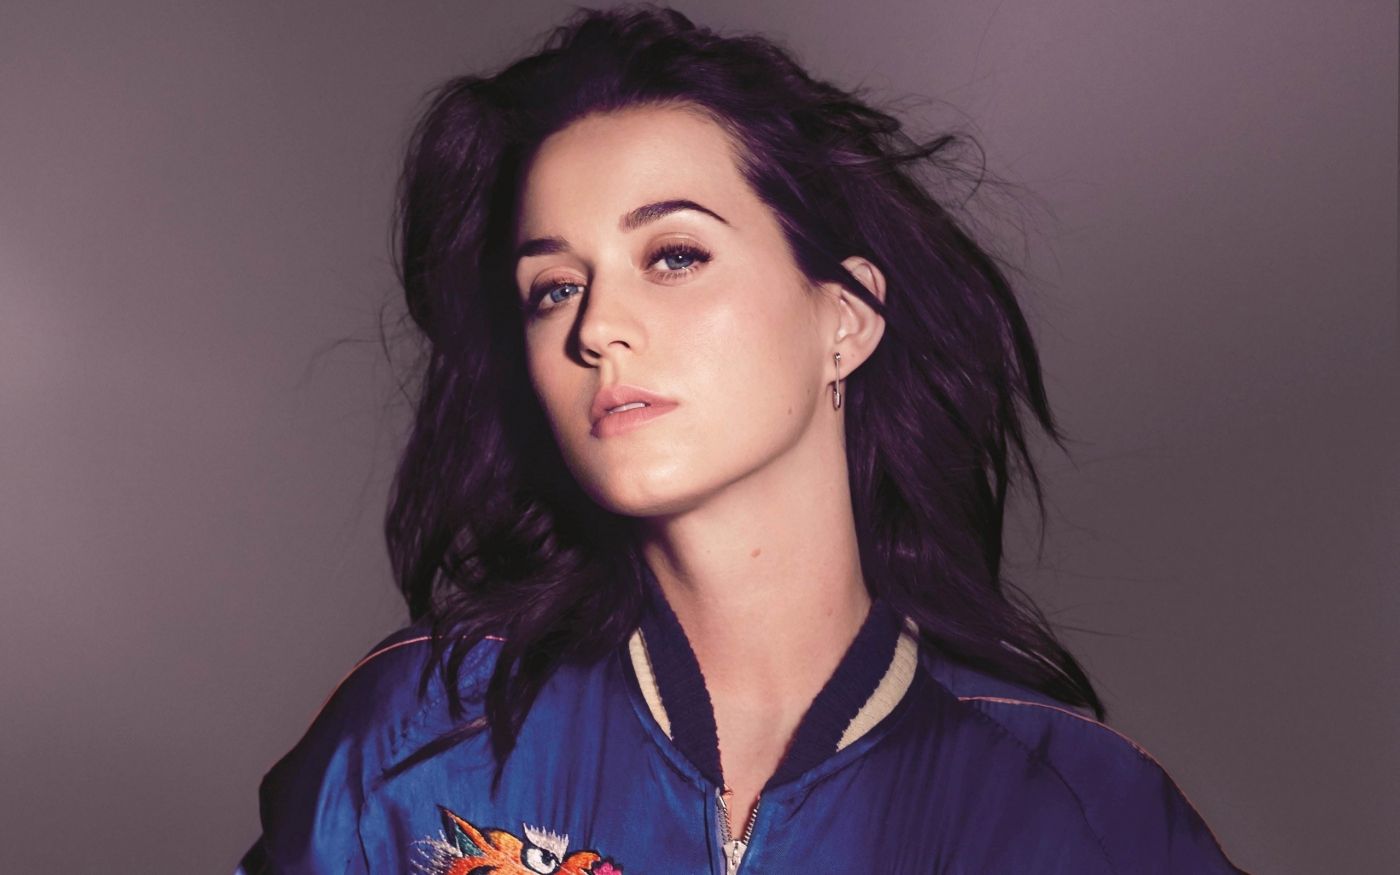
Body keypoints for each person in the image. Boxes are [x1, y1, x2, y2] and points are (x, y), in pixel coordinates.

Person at [239, 5, 1247, 873]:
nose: (598, 327)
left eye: (674, 255)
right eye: (554, 287)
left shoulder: (1071, 804)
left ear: (844, 318)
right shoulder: (417, 736)